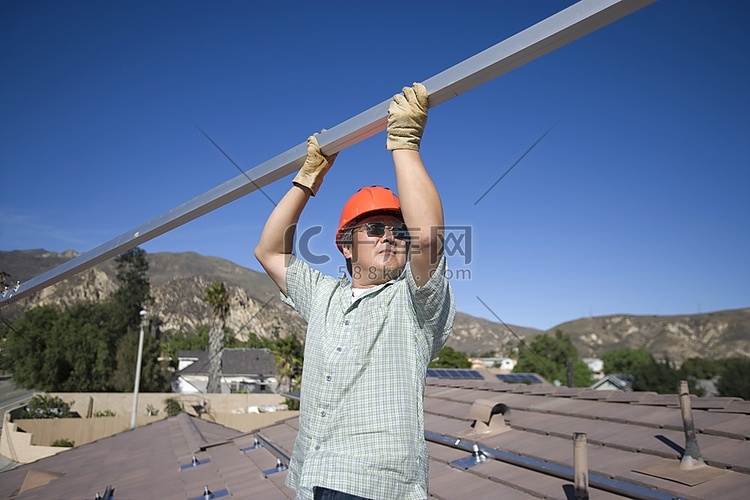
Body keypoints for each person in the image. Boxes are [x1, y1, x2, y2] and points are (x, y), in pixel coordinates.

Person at [255, 82, 456, 500]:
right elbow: (269, 250)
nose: (391, 237)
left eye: (398, 230)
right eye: (376, 228)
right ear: (346, 246)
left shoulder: (411, 302)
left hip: (374, 487)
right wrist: (307, 180)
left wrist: (404, 144)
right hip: (313, 478)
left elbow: (429, 239)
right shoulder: (324, 297)